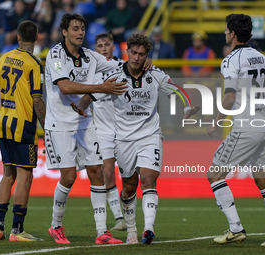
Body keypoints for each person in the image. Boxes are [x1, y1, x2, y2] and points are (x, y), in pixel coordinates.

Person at [71, 33, 201, 245]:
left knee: (149, 179)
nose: (137, 57)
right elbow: (93, 93)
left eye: (141, 54)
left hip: (149, 135)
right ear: (127, 51)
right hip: (123, 140)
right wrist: (81, 107)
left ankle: (148, 229)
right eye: (133, 53)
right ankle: (131, 229)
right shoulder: (115, 76)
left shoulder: (154, 74)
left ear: (146, 55)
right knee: (129, 187)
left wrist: (187, 108)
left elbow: (176, 90)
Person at [44, 13, 151, 245]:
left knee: (97, 172)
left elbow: (121, 65)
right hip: (59, 124)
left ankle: (102, 231)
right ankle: (56, 225)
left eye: (82, 28)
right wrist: (100, 87)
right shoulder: (55, 54)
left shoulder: (91, 57)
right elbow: (64, 87)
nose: (80, 32)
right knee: (69, 176)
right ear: (64, 32)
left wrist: (142, 62)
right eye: (75, 28)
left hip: (84, 122)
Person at [206, 14, 265, 247]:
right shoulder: (263, 58)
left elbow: (230, 97)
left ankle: (235, 229)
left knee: (214, 174)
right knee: (263, 179)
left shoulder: (230, 60)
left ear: (232, 33)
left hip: (246, 126)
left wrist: (217, 121)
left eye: (225, 29)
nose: (224, 32)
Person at [0, 20, 46, 242]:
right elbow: (37, 100)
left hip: (3, 122)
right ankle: (17, 230)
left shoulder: (3, 58)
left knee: (7, 175)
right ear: (37, 37)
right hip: (23, 127)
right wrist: (46, 128)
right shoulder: (33, 64)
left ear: (18, 37)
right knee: (25, 176)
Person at [92, 32, 126, 231]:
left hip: (125, 130)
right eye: (100, 45)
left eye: (107, 44)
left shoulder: (124, 67)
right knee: (107, 173)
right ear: (96, 50)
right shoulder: (91, 72)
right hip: (103, 131)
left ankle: (128, 213)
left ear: (113, 47)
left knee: (130, 175)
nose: (104, 48)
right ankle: (119, 218)